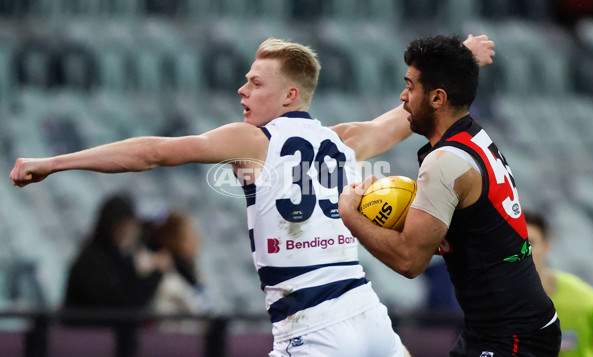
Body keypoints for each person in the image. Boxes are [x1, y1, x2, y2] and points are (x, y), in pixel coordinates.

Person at [10, 36, 494, 356]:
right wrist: (462, 59)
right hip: (369, 317)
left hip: (311, 325)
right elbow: (403, 114)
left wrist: (53, 162)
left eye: (255, 82)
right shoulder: (346, 140)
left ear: (289, 96)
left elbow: (153, 153)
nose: (242, 90)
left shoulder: (255, 142)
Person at [337, 35, 561, 356]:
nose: (403, 97)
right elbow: (475, 236)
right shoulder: (470, 136)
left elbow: (409, 261)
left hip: (511, 334)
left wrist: (351, 216)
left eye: (410, 86)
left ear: (438, 97)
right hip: (504, 325)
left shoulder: (445, 163)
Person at [63, 194, 173, 357]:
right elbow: (125, 305)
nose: (127, 234)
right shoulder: (92, 261)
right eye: (122, 228)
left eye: (131, 228)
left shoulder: (122, 259)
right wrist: (155, 274)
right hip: (87, 344)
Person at [525, 210, 593, 357]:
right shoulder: (488, 301)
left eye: (530, 243)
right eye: (515, 242)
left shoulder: (584, 300)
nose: (522, 250)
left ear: (546, 247)